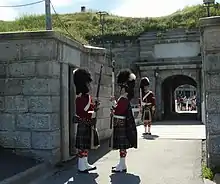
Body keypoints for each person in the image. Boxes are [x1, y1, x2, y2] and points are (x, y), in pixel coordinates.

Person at [110, 69, 138, 173]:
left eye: (121, 87)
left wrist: (113, 103)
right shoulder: (124, 98)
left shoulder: (124, 99)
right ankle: (121, 164)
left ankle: (122, 165)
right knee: (122, 147)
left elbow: (119, 111)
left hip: (121, 123)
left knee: (122, 146)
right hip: (121, 122)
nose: (120, 89)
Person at [73, 68, 100, 173]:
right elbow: (85, 112)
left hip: (84, 123)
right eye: (88, 83)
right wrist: (93, 110)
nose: (89, 86)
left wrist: (94, 106)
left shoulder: (81, 97)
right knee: (83, 146)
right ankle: (81, 165)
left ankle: (84, 163)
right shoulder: (84, 98)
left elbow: (88, 109)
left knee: (85, 145)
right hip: (86, 122)